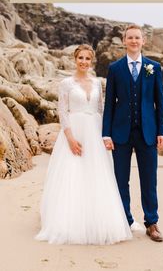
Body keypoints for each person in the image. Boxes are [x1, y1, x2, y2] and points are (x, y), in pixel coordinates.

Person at [36, 44, 132, 245]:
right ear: (75, 59)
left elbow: (102, 109)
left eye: (88, 59)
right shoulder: (66, 83)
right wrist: (70, 138)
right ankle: (70, 220)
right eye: (81, 58)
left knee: (96, 173)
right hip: (74, 132)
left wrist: (107, 136)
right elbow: (62, 112)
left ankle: (97, 218)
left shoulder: (97, 82)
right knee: (73, 173)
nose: (84, 62)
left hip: (95, 132)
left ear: (92, 61)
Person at [102, 25, 163, 242]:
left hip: (148, 133)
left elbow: (160, 103)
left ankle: (152, 222)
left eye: (137, 38)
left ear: (143, 41)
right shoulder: (115, 68)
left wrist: (162, 131)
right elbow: (109, 104)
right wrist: (106, 133)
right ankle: (125, 219)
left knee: (149, 179)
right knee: (121, 180)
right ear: (124, 41)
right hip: (120, 133)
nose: (134, 41)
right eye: (130, 37)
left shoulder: (154, 67)